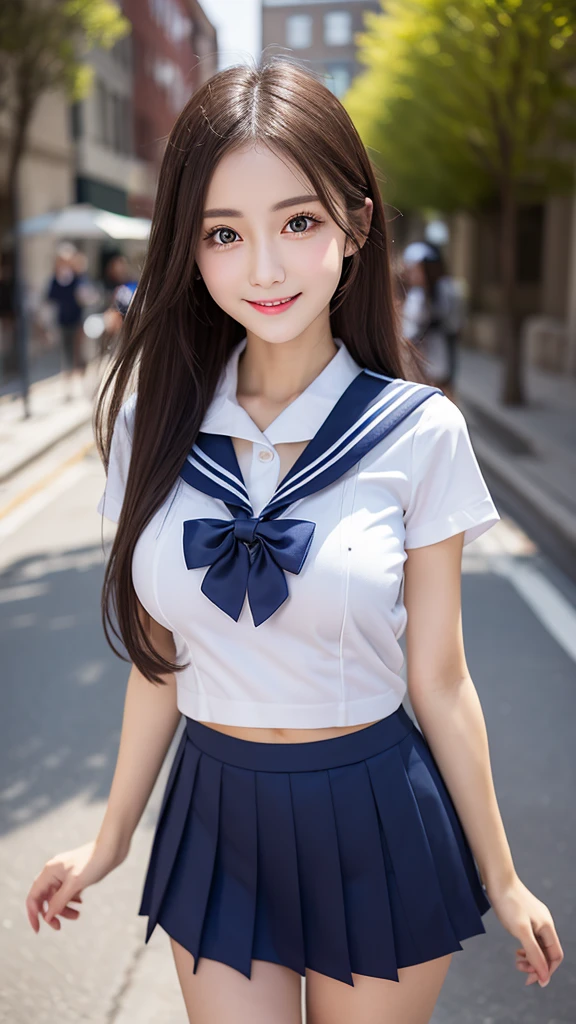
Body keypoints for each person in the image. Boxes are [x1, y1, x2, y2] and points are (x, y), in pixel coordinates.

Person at [25, 59, 563, 1024]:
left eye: (299, 222)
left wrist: (507, 876)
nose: (264, 268)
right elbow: (159, 662)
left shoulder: (416, 431)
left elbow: (440, 679)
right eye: (225, 234)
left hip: (376, 813)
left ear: (356, 226)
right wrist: (108, 841)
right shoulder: (155, 427)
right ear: (190, 251)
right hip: (217, 813)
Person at [401, 241, 464, 403]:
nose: (411, 274)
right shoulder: (416, 294)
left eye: (415, 269)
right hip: (421, 356)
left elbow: (452, 322)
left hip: (437, 352)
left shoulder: (444, 289)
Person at [45, 242, 90, 400]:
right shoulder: (56, 279)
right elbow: (50, 297)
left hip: (77, 320)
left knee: (79, 352)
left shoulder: (78, 277)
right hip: (63, 321)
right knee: (66, 354)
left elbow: (85, 295)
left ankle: (82, 384)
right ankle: (68, 387)